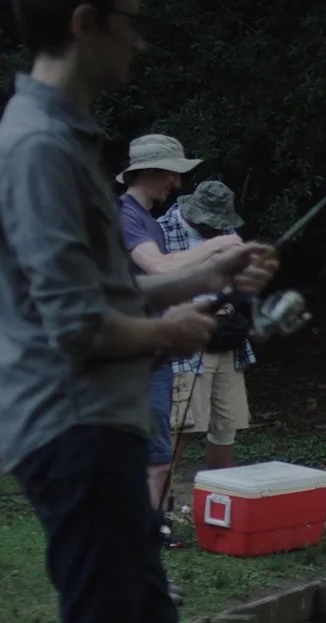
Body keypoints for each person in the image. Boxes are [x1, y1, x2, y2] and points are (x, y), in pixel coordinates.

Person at [0, 1, 279, 623]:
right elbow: (78, 326)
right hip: (72, 427)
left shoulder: (64, 139)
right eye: (132, 22)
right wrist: (177, 332)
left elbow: (112, 295)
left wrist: (210, 272)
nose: (142, 41)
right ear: (85, 22)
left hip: (91, 422)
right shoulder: (39, 149)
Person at [115, 133, 241, 518]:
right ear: (151, 172)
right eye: (172, 174)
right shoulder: (124, 216)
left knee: (156, 459)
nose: (177, 183)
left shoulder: (149, 223)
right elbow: (161, 267)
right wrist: (217, 246)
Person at [159, 180, 255, 470]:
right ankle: (156, 507)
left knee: (225, 428)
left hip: (225, 340)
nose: (215, 230)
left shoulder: (228, 235)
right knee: (179, 428)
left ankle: (219, 502)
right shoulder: (160, 232)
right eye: (208, 223)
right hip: (185, 343)